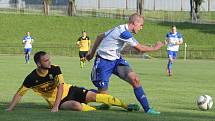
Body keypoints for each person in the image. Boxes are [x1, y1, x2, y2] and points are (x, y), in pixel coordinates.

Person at [6, 51, 139, 112]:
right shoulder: (31, 78)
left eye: (49, 59)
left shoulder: (55, 69)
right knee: (76, 106)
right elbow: (19, 93)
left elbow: (61, 87)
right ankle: (95, 111)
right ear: (38, 64)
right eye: (46, 60)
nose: (49, 62)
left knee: (97, 96)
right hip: (61, 101)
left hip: (70, 90)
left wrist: (55, 107)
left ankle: (127, 106)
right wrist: (10, 109)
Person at [86, 13, 164, 115]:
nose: (141, 28)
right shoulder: (123, 32)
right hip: (103, 62)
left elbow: (100, 36)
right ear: (135, 23)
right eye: (141, 25)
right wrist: (155, 47)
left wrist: (91, 54)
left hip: (116, 60)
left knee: (135, 79)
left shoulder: (122, 28)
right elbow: (139, 49)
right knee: (103, 96)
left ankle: (148, 109)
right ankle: (80, 93)